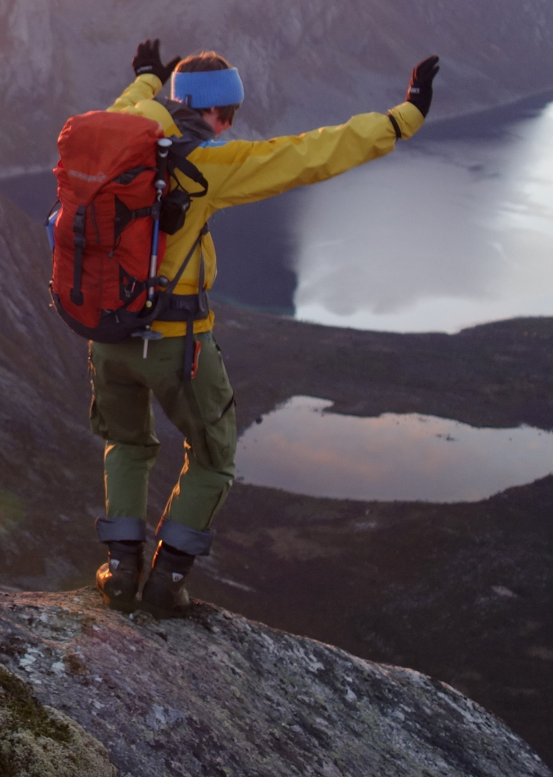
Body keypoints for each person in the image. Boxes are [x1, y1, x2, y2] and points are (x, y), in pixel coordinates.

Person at [90, 40, 438, 617]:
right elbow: (311, 154)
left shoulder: (119, 129)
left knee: (127, 442)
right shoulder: (206, 165)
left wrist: (148, 78)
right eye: (227, 115)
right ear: (213, 110)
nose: (227, 127)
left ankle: (121, 570)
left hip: (105, 333)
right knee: (212, 458)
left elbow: (127, 99)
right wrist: (403, 119)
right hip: (176, 344)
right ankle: (166, 580)